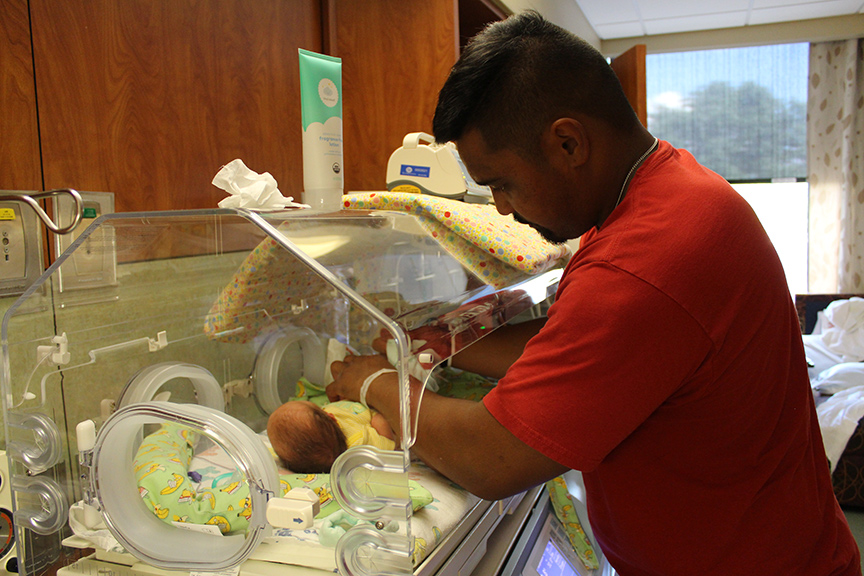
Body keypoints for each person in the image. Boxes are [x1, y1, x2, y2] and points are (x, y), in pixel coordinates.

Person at [326, 11, 861, 576]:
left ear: (567, 143)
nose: (502, 208)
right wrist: (433, 342)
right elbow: (580, 344)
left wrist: (375, 382)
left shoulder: (645, 262)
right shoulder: (666, 191)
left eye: (501, 183)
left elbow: (491, 457)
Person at [267, 400, 396, 473]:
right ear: (331, 417)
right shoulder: (360, 443)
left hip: (353, 404)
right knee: (380, 420)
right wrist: (377, 419)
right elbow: (388, 444)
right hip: (366, 411)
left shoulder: (299, 455)